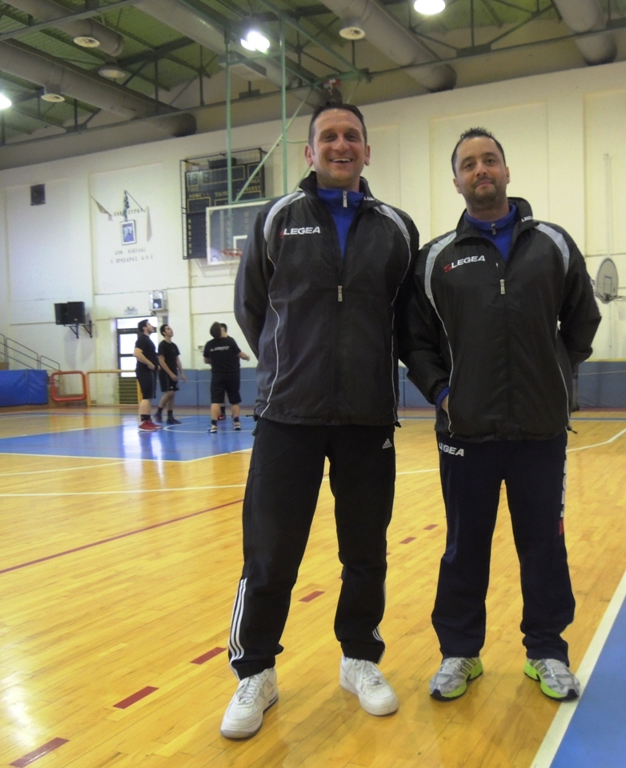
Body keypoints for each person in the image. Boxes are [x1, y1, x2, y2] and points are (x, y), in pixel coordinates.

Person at [220, 100, 418, 741]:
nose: (340, 145)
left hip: (367, 417)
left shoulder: (396, 228)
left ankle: (359, 658)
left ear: (367, 150)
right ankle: (256, 671)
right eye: (328, 136)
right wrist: (289, 366)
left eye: (351, 136)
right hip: (288, 416)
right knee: (270, 553)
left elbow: (407, 320)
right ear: (309, 152)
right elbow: (252, 308)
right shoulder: (277, 218)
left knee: (366, 550)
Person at [401, 128, 601, 703]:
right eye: (469, 164)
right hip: (465, 433)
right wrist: (444, 393)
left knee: (544, 546)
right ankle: (459, 653)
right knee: (464, 547)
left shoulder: (553, 244)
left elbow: (582, 320)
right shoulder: (436, 258)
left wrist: (554, 376)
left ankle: (547, 652)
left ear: (507, 171)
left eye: (489, 160)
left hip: (541, 432)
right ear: (457, 181)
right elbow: (414, 340)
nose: (480, 170)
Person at [202, 322, 249, 433]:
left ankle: (214, 425)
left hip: (217, 375)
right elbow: (241, 354)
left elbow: (206, 360)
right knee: (234, 400)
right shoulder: (230, 341)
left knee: (215, 401)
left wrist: (216, 360)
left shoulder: (209, 344)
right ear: (221, 331)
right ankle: (236, 423)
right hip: (232, 375)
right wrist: (247, 357)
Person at [155, 324, 186, 425]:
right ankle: (158, 412)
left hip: (173, 372)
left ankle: (170, 417)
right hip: (165, 373)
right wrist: (170, 373)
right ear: (164, 332)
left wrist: (182, 373)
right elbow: (161, 361)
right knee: (170, 393)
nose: (171, 330)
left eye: (170, 328)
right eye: (168, 329)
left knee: (173, 395)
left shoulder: (174, 346)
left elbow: (177, 360)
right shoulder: (162, 345)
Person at [132, 318, 160, 431]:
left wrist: (156, 364)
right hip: (145, 371)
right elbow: (137, 353)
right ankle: (143, 422)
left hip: (150, 371)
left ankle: (148, 420)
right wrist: (150, 364)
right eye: (149, 324)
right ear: (144, 328)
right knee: (146, 396)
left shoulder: (147, 340)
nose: (151, 326)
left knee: (149, 397)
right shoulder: (142, 339)